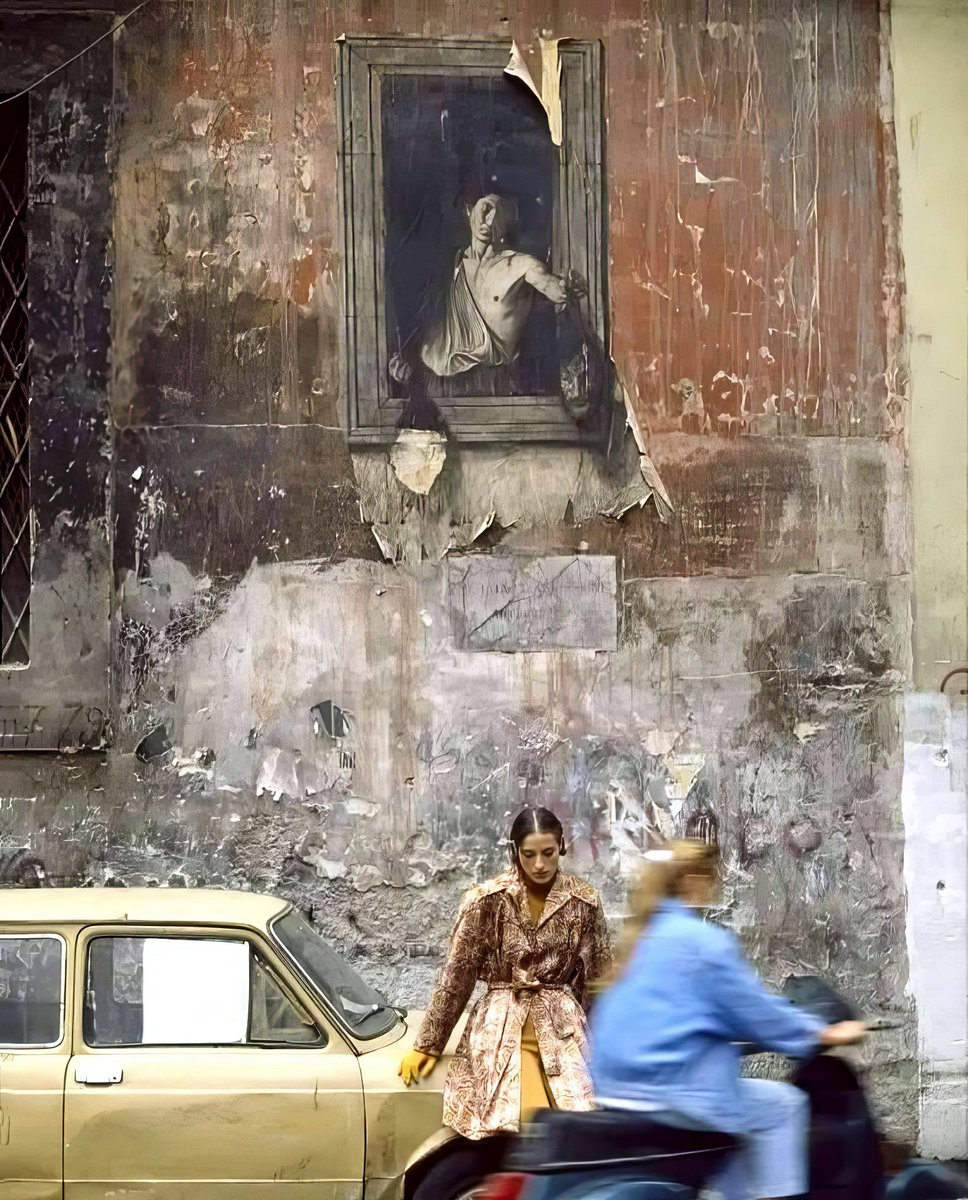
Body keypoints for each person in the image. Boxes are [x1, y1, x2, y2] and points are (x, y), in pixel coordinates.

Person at [590, 840, 866, 1200]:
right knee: (785, 1107)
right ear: (692, 880)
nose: (714, 887)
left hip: (618, 1089)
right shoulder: (701, 941)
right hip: (676, 1091)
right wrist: (824, 1031)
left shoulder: (639, 939)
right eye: (711, 878)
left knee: (737, 1130)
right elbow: (755, 1012)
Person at [399, 805, 612, 1141]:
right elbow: (457, 973)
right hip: (502, 1024)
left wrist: (608, 1045)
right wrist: (429, 1044)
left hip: (562, 1027)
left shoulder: (583, 901)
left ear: (562, 847)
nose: (539, 864)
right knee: (520, 1120)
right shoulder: (486, 900)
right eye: (529, 854)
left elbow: (597, 978)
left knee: (575, 1125)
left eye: (548, 853)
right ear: (515, 851)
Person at [390, 194, 586, 395]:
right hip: (436, 386)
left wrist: (563, 288)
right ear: (468, 211)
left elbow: (546, 283)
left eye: (499, 213)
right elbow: (426, 328)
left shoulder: (521, 265)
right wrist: (406, 367)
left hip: (493, 387)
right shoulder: (447, 268)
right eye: (486, 209)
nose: (490, 219)